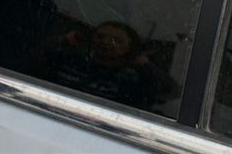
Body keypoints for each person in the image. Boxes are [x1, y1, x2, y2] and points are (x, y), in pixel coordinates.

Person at [44, 20, 179, 111]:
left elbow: (172, 93)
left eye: (116, 40)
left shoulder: (132, 79)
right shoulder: (72, 61)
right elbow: (33, 56)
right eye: (100, 36)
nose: (106, 42)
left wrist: (145, 65)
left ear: (130, 48)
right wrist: (62, 41)